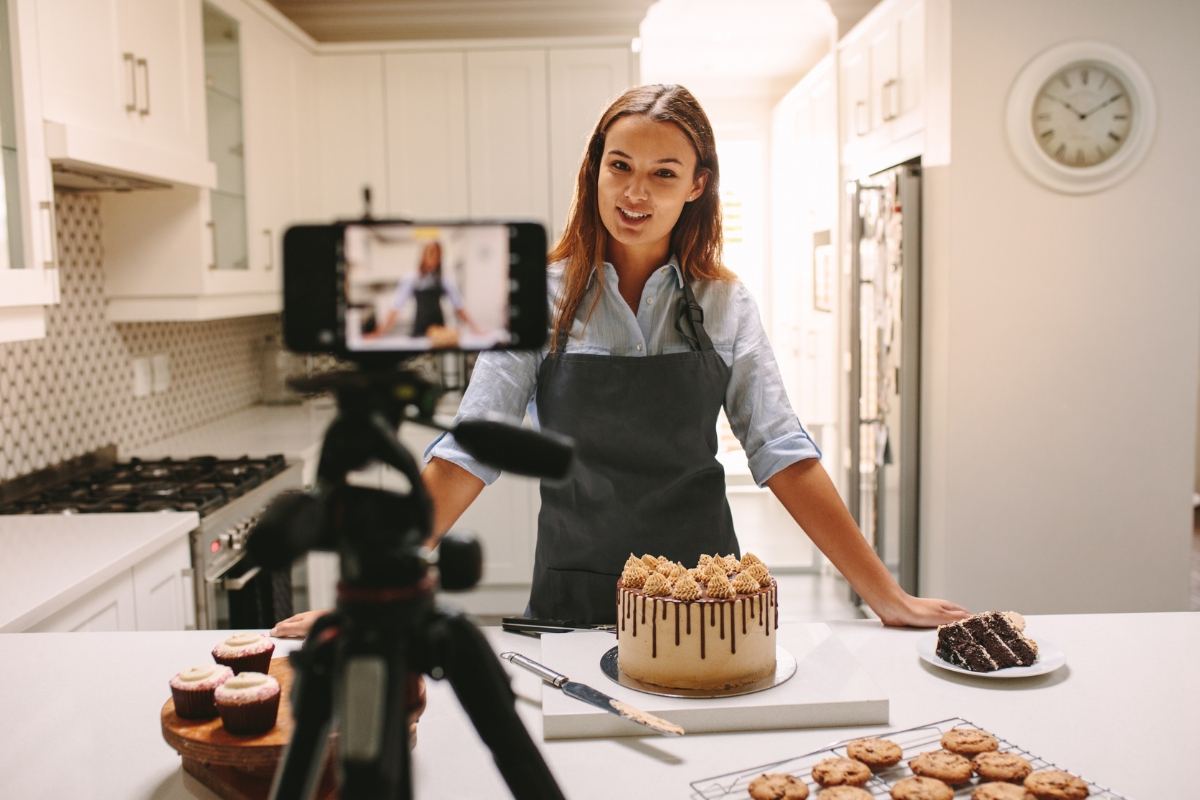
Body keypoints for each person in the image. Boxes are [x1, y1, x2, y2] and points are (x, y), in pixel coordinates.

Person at [273, 84, 967, 638]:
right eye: (620, 167)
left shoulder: (724, 304)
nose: (635, 195)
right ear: (595, 170)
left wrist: (886, 595)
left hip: (705, 597)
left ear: (697, 184)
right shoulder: (537, 300)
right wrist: (369, 592)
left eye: (663, 174)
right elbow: (468, 450)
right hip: (575, 590)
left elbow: (783, 451)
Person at [366, 240, 477, 342]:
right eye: (430, 253)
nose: (433, 257)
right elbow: (396, 306)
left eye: (436, 254)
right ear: (423, 255)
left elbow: (458, 305)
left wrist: (475, 329)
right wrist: (379, 333)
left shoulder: (444, 279)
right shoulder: (412, 277)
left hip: (439, 332)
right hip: (419, 329)